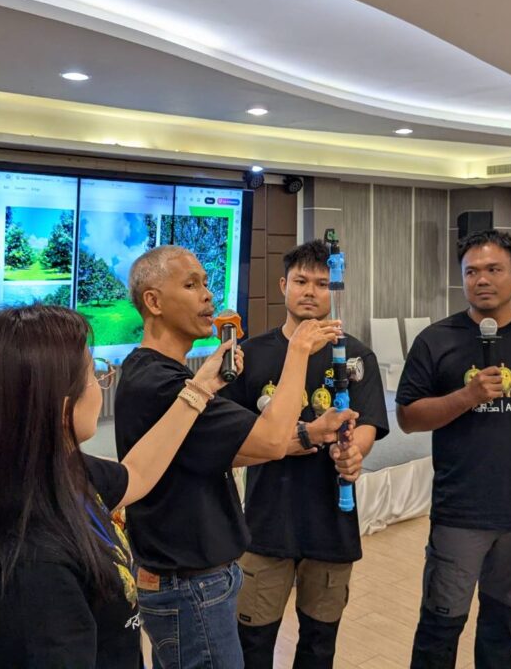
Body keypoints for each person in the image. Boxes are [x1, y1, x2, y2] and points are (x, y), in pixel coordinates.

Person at [0, 304, 242, 668]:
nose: (102, 384)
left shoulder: (59, 472)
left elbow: (137, 473)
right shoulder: (33, 569)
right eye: (94, 374)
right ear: (61, 407)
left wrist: (200, 388)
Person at [114, 245, 351, 669]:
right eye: (191, 285)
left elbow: (232, 450)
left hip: (197, 577)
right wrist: (298, 352)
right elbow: (271, 441)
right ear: (153, 301)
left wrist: (306, 434)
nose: (208, 295)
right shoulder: (162, 384)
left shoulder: (171, 376)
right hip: (189, 584)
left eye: (206, 283)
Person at [396, 230, 511, 669]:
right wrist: (466, 397)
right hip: (460, 514)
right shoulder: (435, 340)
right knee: (439, 630)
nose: (482, 279)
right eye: (471, 272)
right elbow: (408, 417)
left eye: (494, 269)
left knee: (502, 632)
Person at [221, 239, 389, 668]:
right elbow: (233, 441)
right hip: (264, 526)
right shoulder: (251, 356)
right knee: (252, 645)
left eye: (322, 283)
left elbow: (367, 424)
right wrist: (305, 435)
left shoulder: (356, 356)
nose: (310, 291)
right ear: (283, 286)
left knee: (319, 647)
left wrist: (354, 453)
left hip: (332, 526)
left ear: (334, 289)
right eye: (301, 281)